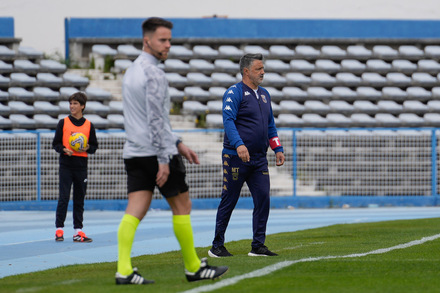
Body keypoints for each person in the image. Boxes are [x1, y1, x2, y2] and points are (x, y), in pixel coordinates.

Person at [115, 17, 228, 285]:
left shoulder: (131, 71)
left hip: (134, 152)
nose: (168, 45)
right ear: (147, 40)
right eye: (163, 40)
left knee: (135, 210)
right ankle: (193, 267)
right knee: (183, 206)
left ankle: (123, 270)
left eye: (169, 40)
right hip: (157, 152)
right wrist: (165, 158)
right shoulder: (154, 73)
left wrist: (178, 143)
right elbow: (156, 120)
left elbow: (147, 119)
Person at [208, 53, 285, 258]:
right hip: (235, 157)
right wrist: (239, 144)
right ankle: (217, 245)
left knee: (263, 199)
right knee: (229, 200)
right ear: (246, 71)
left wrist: (277, 148)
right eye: (259, 69)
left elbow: (270, 125)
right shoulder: (234, 93)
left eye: (263, 68)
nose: (263, 72)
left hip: (259, 158)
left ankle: (258, 245)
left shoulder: (265, 94)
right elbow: (228, 121)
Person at [52, 91, 98, 243]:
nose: (72, 106)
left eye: (75, 104)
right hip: (66, 165)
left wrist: (86, 148)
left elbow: (94, 147)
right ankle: (59, 230)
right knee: (64, 198)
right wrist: (64, 149)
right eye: (70, 103)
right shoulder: (63, 123)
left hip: (81, 166)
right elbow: (55, 144)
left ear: (82, 106)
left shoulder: (89, 125)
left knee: (79, 199)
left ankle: (78, 232)